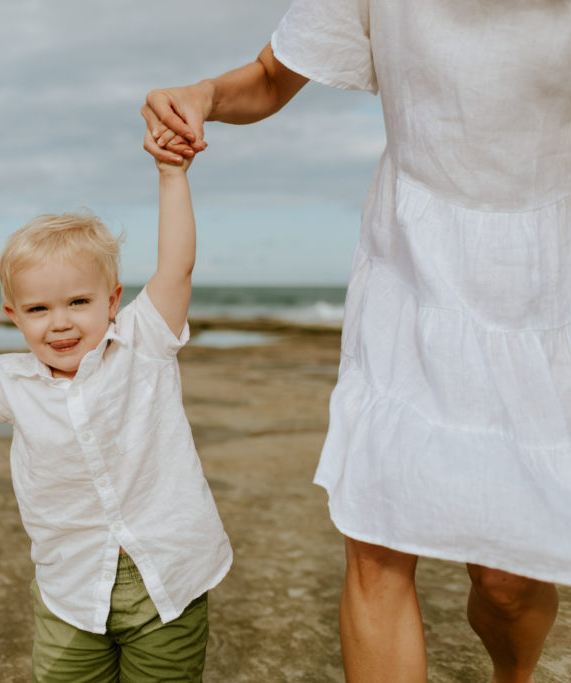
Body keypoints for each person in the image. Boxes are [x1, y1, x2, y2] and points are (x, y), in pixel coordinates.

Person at [141, 1, 569, 681]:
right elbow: (270, 76)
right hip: (409, 258)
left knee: (506, 581)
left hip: (545, 274)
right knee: (378, 543)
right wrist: (205, 96)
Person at [0, 152, 230, 681]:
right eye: (39, 309)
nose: (60, 323)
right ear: (14, 316)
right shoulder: (12, 381)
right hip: (71, 590)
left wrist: (171, 174)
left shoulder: (143, 342)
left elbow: (176, 266)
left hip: (168, 578)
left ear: (112, 300)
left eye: (78, 302)